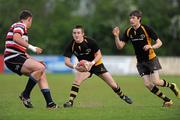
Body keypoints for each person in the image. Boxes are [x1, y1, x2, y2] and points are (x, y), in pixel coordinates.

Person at [112, 10, 180, 107]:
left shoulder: (146, 29)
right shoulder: (128, 31)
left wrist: (151, 46)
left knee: (156, 82)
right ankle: (167, 100)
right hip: (140, 62)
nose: (131, 20)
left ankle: (172, 86)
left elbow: (160, 43)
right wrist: (116, 36)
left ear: (139, 19)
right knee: (148, 84)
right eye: (130, 18)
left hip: (151, 58)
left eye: (133, 18)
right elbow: (120, 46)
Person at [63, 25, 133, 108]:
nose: (76, 35)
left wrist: (91, 63)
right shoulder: (71, 45)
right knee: (76, 81)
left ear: (83, 34)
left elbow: (99, 55)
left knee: (113, 85)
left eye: (78, 33)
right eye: (74, 33)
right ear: (72, 34)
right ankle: (70, 102)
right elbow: (66, 62)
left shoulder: (90, 41)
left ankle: (123, 96)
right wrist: (75, 66)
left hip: (96, 64)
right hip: (84, 67)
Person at [4, 10, 58, 108]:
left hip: (17, 57)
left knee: (41, 72)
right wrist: (33, 48)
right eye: (31, 21)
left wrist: (35, 61)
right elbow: (16, 38)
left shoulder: (20, 28)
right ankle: (25, 95)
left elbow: (22, 52)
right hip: (12, 57)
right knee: (40, 68)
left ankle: (50, 103)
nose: (31, 23)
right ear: (29, 19)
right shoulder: (20, 26)